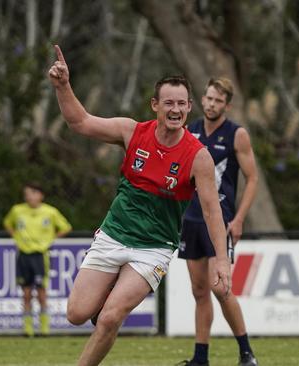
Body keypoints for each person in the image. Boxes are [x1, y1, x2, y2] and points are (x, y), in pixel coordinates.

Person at [47, 45, 231, 366]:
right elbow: (80, 122)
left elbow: (213, 210)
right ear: (155, 105)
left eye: (182, 104)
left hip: (153, 248)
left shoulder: (198, 156)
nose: (175, 109)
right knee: (77, 314)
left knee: (109, 318)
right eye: (169, 103)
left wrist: (222, 259)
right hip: (114, 235)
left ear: (190, 107)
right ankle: (108, 297)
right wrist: (63, 86)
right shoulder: (132, 132)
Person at [178, 78, 259, 366]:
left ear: (227, 105)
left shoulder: (237, 134)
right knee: (199, 291)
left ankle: (246, 353)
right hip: (191, 219)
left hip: (220, 221)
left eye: (218, 100)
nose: (211, 104)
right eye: (208, 98)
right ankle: (201, 358)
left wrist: (239, 218)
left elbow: (252, 178)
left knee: (220, 288)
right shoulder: (190, 130)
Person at [3, 182, 72, 337]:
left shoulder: (50, 212)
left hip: (40, 255)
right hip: (23, 255)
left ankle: (44, 329)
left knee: (41, 292)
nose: (29, 196)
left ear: (40, 195)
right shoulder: (17, 210)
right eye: (26, 193)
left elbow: (66, 227)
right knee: (26, 293)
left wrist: (50, 239)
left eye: (32, 193)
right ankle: (27, 330)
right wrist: (17, 237)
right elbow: (7, 223)